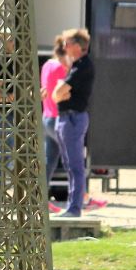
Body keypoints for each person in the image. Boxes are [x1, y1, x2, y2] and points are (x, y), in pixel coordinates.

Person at [52, 28, 93, 217]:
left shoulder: (83, 66)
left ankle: (75, 208)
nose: (64, 47)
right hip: (66, 118)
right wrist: (60, 92)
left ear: (77, 46)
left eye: (67, 44)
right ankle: (71, 205)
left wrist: (60, 92)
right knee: (68, 164)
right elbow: (57, 94)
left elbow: (59, 93)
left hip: (73, 118)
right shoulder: (75, 66)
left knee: (75, 165)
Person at [40, 36, 69, 190]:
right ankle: (82, 196)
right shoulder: (61, 68)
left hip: (47, 116)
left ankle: (41, 197)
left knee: (49, 161)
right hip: (58, 118)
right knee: (71, 158)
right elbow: (64, 91)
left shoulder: (46, 65)